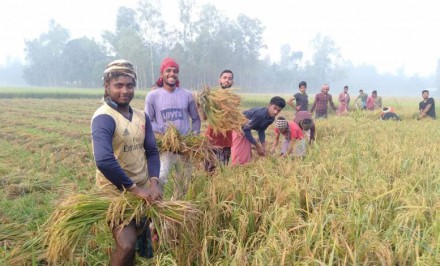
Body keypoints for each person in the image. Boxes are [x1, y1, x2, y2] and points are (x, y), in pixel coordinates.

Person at [91, 59, 161, 265]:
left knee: (132, 248)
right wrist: (135, 190)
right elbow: (103, 160)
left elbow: (152, 151)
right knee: (127, 243)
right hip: (115, 191)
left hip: (140, 191)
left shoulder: (141, 116)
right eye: (118, 85)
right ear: (107, 86)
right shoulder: (104, 117)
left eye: (129, 85)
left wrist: (153, 184)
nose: (125, 91)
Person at [144, 57, 201, 199]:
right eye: (168, 70)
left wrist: (194, 137)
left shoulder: (187, 95)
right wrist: (163, 131)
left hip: (184, 148)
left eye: (175, 71)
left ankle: (176, 208)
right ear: (162, 73)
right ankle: (158, 206)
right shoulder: (152, 96)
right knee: (160, 177)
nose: (172, 74)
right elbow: (147, 120)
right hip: (166, 146)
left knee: (183, 181)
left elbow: (196, 118)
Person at [231, 96, 286, 165]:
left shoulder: (271, 118)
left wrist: (263, 145)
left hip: (246, 129)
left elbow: (261, 130)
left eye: (279, 110)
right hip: (238, 127)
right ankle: (235, 169)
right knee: (239, 155)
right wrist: (257, 145)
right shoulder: (260, 115)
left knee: (246, 154)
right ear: (269, 105)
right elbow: (246, 129)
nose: (275, 112)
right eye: (274, 108)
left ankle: (244, 167)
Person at [204, 70, 235, 172]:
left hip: (226, 141)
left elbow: (235, 119)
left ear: (232, 82)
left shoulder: (234, 99)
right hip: (211, 139)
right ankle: (209, 188)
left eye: (230, 79)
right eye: (225, 77)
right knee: (208, 171)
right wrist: (204, 100)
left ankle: (218, 188)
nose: (227, 80)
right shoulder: (211, 96)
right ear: (219, 80)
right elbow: (204, 117)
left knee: (222, 172)